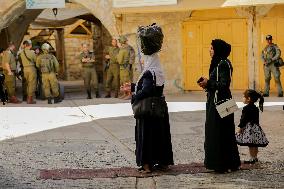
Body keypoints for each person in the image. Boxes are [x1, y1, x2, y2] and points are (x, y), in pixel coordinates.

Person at [122, 23, 174, 173]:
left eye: (144, 57)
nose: (143, 59)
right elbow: (152, 87)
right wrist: (133, 86)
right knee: (160, 136)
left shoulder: (149, 72)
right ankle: (162, 162)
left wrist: (133, 95)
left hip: (148, 111)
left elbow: (146, 91)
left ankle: (146, 165)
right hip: (159, 108)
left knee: (147, 138)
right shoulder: (157, 69)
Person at [198, 39, 240, 173]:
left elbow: (223, 85)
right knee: (221, 132)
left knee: (221, 132)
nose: (210, 50)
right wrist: (207, 84)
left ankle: (222, 164)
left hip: (222, 102)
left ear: (218, 49)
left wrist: (208, 83)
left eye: (212, 48)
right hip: (219, 101)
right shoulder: (219, 63)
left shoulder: (223, 64)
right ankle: (226, 163)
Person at [236, 89, 269, 164]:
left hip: (249, 129)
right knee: (255, 144)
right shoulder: (256, 108)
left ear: (249, 99)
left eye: (244, 97)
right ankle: (255, 157)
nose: (243, 98)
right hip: (255, 128)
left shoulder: (246, 108)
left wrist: (240, 128)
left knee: (251, 145)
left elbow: (243, 120)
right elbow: (256, 119)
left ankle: (252, 158)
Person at [117, 35, 132, 100]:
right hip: (125, 67)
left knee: (126, 80)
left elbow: (120, 61)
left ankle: (129, 94)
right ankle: (125, 94)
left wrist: (117, 56)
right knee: (123, 81)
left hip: (124, 67)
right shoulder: (127, 49)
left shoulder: (122, 50)